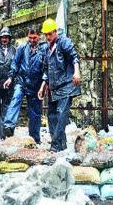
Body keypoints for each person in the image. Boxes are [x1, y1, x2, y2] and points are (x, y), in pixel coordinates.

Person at [38, 19, 81, 152]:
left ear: (55, 32)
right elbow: (46, 70)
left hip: (67, 85)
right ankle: (60, 144)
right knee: (51, 115)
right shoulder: (46, 48)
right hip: (54, 87)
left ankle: (55, 145)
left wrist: (77, 72)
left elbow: (74, 57)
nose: (48, 37)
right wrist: (42, 86)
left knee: (62, 114)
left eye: (50, 34)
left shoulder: (64, 42)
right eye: (46, 35)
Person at [2, 27, 47, 143]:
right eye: (30, 38)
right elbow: (15, 64)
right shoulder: (22, 47)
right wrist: (10, 78)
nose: (32, 40)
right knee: (15, 98)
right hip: (21, 81)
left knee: (35, 112)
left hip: (35, 85)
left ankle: (35, 138)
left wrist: (43, 85)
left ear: (39, 36)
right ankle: (9, 126)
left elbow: (47, 68)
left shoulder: (44, 49)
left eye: (34, 38)